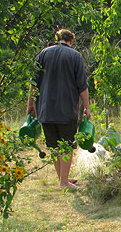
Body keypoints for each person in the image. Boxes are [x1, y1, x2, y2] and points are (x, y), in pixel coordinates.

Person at [27, 29, 91, 190]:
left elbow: (33, 83)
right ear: (71, 41)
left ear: (57, 39)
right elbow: (82, 87)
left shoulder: (43, 54)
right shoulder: (75, 56)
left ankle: (63, 178)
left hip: (45, 110)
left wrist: (30, 104)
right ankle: (63, 182)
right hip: (66, 109)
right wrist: (87, 109)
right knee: (67, 145)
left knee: (53, 146)